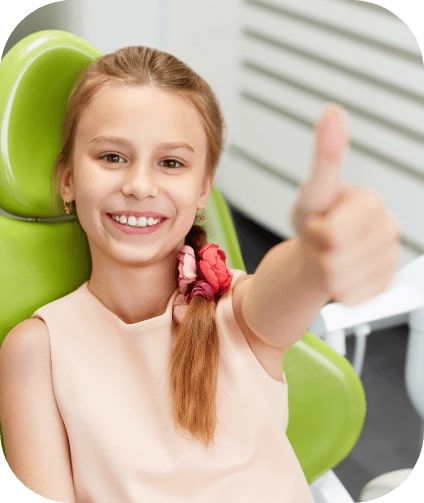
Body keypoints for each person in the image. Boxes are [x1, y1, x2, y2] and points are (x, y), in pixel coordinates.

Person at [0, 45, 398, 503]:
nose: (140, 186)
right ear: (68, 179)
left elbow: (288, 284)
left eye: (171, 163)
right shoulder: (38, 351)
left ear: (202, 189)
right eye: (112, 157)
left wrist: (316, 256)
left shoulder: (238, 310)